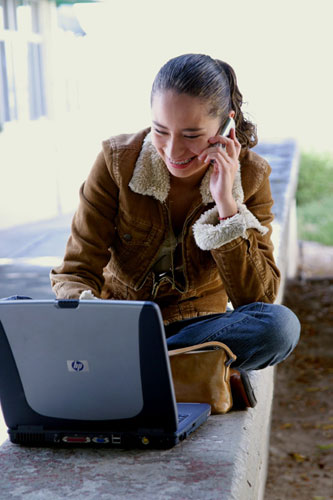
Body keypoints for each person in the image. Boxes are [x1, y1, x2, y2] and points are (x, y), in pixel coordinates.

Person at [50, 53, 300, 409]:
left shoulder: (251, 176)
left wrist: (227, 206)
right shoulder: (116, 162)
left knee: (280, 327)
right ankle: (184, 371)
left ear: (225, 127)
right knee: (25, 323)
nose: (172, 150)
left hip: (199, 331)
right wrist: (95, 322)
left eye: (192, 135)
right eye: (160, 130)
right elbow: (75, 272)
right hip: (122, 327)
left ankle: (127, 369)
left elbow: (257, 300)